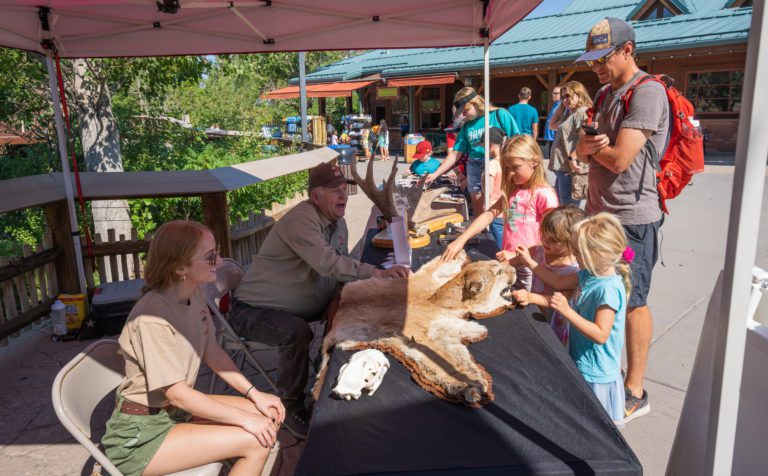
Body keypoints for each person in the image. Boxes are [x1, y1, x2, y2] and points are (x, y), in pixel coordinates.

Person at [228, 162, 410, 436]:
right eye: (334, 190)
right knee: (295, 332)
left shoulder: (338, 223)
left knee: (341, 305)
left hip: (291, 307)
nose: (343, 196)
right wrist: (377, 273)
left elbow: (343, 264)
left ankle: (321, 373)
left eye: (344, 190)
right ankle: (290, 406)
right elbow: (328, 264)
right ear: (315, 196)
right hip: (251, 312)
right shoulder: (302, 219)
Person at [101, 220, 284, 476]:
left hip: (174, 412)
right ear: (180, 267)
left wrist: (255, 393)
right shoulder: (152, 317)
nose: (219, 262)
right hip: (142, 432)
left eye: (216, 253)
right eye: (210, 258)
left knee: (269, 415)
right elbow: (177, 393)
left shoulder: (193, 291)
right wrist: (244, 419)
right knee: (256, 441)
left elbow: (211, 349)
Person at [575, 17, 668, 423]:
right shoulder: (606, 92)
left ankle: (635, 389)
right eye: (592, 59)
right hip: (600, 215)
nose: (596, 66)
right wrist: (586, 148)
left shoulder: (647, 94)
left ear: (628, 50)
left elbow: (617, 158)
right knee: (601, 294)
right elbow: (579, 154)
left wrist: (591, 149)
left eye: (603, 57)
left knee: (632, 302)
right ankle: (605, 373)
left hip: (631, 219)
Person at [513, 212, 631, 427]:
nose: (574, 256)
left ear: (596, 254)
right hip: (581, 361)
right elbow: (557, 282)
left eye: (578, 252)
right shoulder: (589, 274)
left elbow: (601, 334)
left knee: (592, 426)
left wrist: (568, 312)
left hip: (597, 373)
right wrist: (530, 263)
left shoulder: (608, 290)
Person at [440, 135, 558, 291]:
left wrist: (517, 257)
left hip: (531, 267)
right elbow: (489, 214)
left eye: (515, 167)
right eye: (507, 168)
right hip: (510, 261)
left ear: (534, 162)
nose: (510, 174)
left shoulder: (544, 195)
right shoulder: (515, 191)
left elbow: (551, 240)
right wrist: (461, 239)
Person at [426, 87, 520, 218]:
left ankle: (498, 235)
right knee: (479, 210)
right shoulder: (467, 126)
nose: (463, 115)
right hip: (475, 166)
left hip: (498, 165)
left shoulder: (500, 115)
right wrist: (435, 174)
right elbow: (455, 153)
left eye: (465, 111)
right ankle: (482, 234)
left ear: (475, 103)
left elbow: (517, 141)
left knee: (498, 207)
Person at [502, 206, 584, 345]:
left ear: (572, 241)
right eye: (543, 234)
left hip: (557, 322)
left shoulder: (574, 268)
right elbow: (507, 265)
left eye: (553, 239)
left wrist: (531, 297)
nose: (545, 240)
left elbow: (560, 300)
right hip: (535, 312)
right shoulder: (537, 251)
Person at [548, 81, 593, 207]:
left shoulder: (582, 112)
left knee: (568, 211)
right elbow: (551, 125)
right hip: (563, 168)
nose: (565, 100)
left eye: (568, 96)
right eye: (563, 97)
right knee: (562, 207)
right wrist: (562, 106)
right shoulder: (570, 113)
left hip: (570, 168)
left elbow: (584, 138)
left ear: (579, 94)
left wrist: (573, 159)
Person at [483, 127, 506, 248]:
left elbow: (489, 191)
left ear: (491, 145)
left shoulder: (492, 165)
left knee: (498, 247)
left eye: (483, 146)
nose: (483, 149)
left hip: (494, 210)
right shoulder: (507, 163)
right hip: (507, 211)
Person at [543, 87, 561, 159]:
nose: (553, 95)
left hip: (556, 137)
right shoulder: (555, 105)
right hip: (551, 137)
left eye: (556, 93)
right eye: (552, 93)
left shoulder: (562, 106)